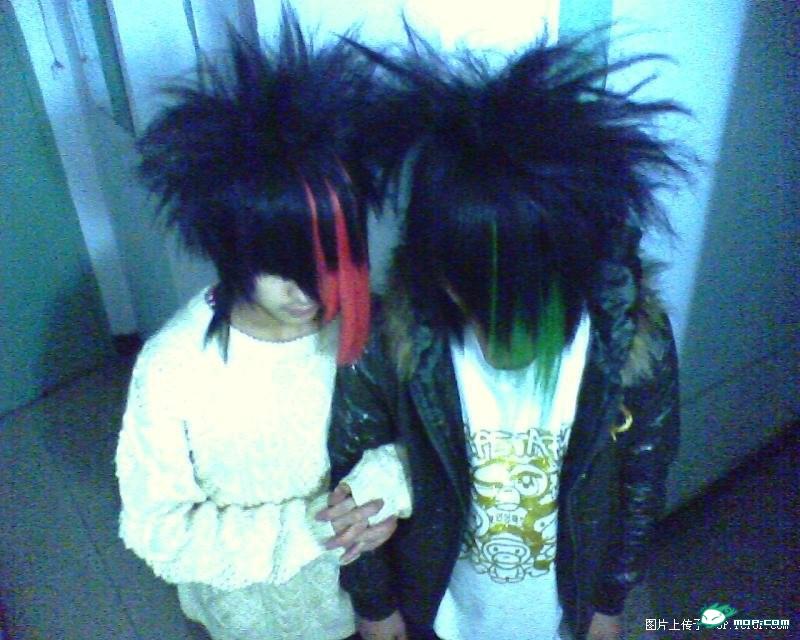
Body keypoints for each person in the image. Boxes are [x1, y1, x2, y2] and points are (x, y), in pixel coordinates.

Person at [328, 31, 686, 640]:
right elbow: (350, 475)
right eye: (474, 291)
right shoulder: (393, 342)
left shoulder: (628, 343)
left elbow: (644, 476)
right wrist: (375, 605)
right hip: (442, 609)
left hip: (561, 610)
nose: (499, 323)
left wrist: (609, 599)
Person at [115, 11, 411, 640]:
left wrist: (385, 490)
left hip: (368, 604)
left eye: (331, 263)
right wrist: (313, 529)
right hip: (251, 618)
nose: (311, 292)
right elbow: (157, 528)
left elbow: (429, 439)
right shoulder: (174, 368)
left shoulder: (378, 324)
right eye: (282, 268)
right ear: (230, 247)